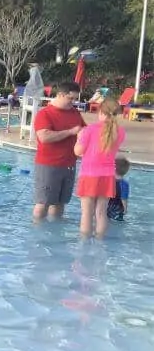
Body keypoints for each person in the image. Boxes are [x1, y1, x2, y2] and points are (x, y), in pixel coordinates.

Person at [32, 81, 87, 221]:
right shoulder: (45, 114)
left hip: (69, 164)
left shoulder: (75, 113)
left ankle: (55, 234)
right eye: (70, 98)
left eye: (75, 99)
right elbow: (44, 137)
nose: (73, 102)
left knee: (61, 203)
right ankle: (37, 233)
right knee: (43, 202)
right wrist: (70, 132)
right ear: (61, 95)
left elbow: (85, 131)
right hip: (49, 164)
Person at [73, 97, 126, 238]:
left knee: (86, 213)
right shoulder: (120, 132)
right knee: (101, 212)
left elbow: (78, 152)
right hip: (108, 176)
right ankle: (100, 242)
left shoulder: (89, 130)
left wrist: (79, 138)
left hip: (89, 175)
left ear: (101, 112)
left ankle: (83, 244)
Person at [107, 157, 130, 221]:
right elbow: (124, 198)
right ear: (126, 171)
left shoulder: (108, 180)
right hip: (118, 209)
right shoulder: (124, 184)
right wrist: (125, 209)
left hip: (106, 206)